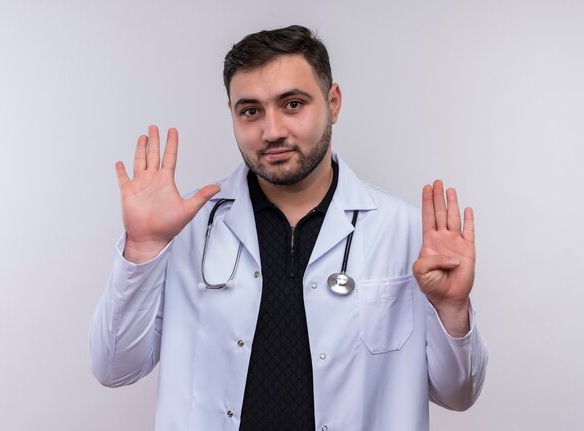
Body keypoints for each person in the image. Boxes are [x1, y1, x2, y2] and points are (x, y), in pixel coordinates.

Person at [89, 25, 488, 431]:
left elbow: (459, 395)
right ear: (232, 113)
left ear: (333, 103)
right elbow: (115, 367)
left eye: (293, 104)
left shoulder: (404, 231)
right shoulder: (187, 227)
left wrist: (452, 310)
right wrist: (143, 247)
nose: (272, 131)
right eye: (251, 111)